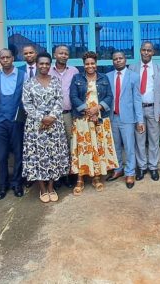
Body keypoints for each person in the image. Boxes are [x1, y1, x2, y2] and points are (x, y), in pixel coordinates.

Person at [22, 52, 69, 203]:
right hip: (36, 126)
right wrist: (42, 118)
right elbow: (27, 104)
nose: (44, 66)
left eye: (47, 63)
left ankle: (51, 187)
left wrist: (51, 117)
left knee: (53, 155)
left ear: (50, 65)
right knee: (38, 156)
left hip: (54, 125)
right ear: (36, 64)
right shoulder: (29, 83)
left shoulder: (55, 81)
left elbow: (59, 101)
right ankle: (42, 188)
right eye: (41, 63)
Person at [69, 51, 118, 195]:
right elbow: (73, 97)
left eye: (92, 63)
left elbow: (109, 96)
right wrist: (88, 111)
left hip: (100, 118)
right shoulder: (77, 78)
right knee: (82, 149)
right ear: (83, 65)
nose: (90, 66)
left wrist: (97, 109)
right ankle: (80, 179)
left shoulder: (104, 78)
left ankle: (96, 177)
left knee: (98, 147)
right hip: (82, 119)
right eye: (87, 64)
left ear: (96, 64)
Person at [129, 41, 160, 182]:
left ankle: (153, 167)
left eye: (149, 50)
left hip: (154, 109)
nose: (146, 52)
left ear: (153, 52)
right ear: (140, 51)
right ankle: (141, 167)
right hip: (138, 110)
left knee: (154, 140)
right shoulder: (132, 68)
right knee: (139, 140)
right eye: (144, 50)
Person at [105, 51, 144, 189]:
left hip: (127, 118)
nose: (118, 60)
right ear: (112, 61)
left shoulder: (134, 76)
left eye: (120, 58)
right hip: (112, 117)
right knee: (115, 146)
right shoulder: (108, 76)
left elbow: (137, 99)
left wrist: (140, 120)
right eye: (115, 59)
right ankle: (118, 169)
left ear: (125, 60)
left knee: (129, 146)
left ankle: (130, 173)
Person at [0, 48, 26, 200]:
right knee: (1, 155)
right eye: (2, 58)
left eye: (8, 57)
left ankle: (17, 184)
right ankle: (2, 185)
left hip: (16, 121)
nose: (5, 60)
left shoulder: (23, 75)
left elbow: (26, 98)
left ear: (13, 58)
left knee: (18, 153)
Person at [50, 45, 79, 188]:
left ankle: (68, 175)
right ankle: (56, 176)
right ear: (54, 55)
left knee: (70, 145)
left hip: (68, 114)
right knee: (54, 145)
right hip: (52, 116)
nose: (63, 55)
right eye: (60, 53)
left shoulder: (74, 71)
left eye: (66, 53)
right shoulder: (47, 71)